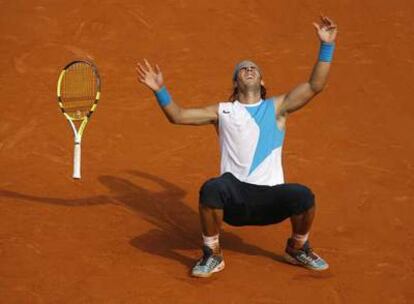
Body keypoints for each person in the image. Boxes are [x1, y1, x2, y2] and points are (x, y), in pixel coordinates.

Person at [136, 15, 337, 278]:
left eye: (254, 68)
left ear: (262, 82)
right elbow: (178, 115)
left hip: (271, 199)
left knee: (304, 196)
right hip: (235, 199)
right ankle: (212, 254)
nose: (249, 70)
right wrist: (160, 90)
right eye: (243, 69)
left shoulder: (277, 107)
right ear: (235, 82)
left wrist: (327, 46)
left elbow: (315, 85)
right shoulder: (222, 111)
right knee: (212, 188)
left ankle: (298, 248)